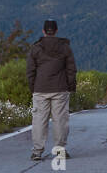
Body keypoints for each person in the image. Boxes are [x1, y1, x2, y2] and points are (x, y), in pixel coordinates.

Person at [26, 18, 76, 161]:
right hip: (60, 88)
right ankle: (60, 150)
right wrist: (70, 87)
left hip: (40, 89)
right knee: (60, 120)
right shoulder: (65, 47)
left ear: (43, 31)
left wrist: (33, 88)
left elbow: (30, 71)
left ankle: (37, 151)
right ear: (56, 31)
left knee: (39, 120)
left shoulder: (35, 48)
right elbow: (71, 70)